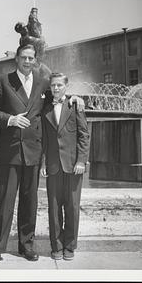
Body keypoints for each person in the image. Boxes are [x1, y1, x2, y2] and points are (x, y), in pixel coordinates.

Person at [0, 44, 85, 267]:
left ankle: (26, 246)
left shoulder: (42, 80)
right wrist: (10, 119)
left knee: (29, 202)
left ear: (35, 60)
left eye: (31, 58)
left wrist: (75, 97)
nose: (27, 61)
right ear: (16, 59)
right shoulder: (2, 81)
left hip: (34, 152)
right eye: (24, 58)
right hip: (9, 151)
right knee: (4, 201)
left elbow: (59, 96)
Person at [40, 72, 90, 261]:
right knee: (54, 208)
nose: (56, 88)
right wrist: (44, 162)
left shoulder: (75, 105)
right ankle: (57, 246)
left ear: (66, 87)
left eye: (60, 85)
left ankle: (70, 246)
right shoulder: (45, 108)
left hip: (73, 165)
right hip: (53, 165)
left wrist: (81, 161)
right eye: (53, 85)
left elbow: (84, 135)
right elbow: (44, 138)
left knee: (72, 207)